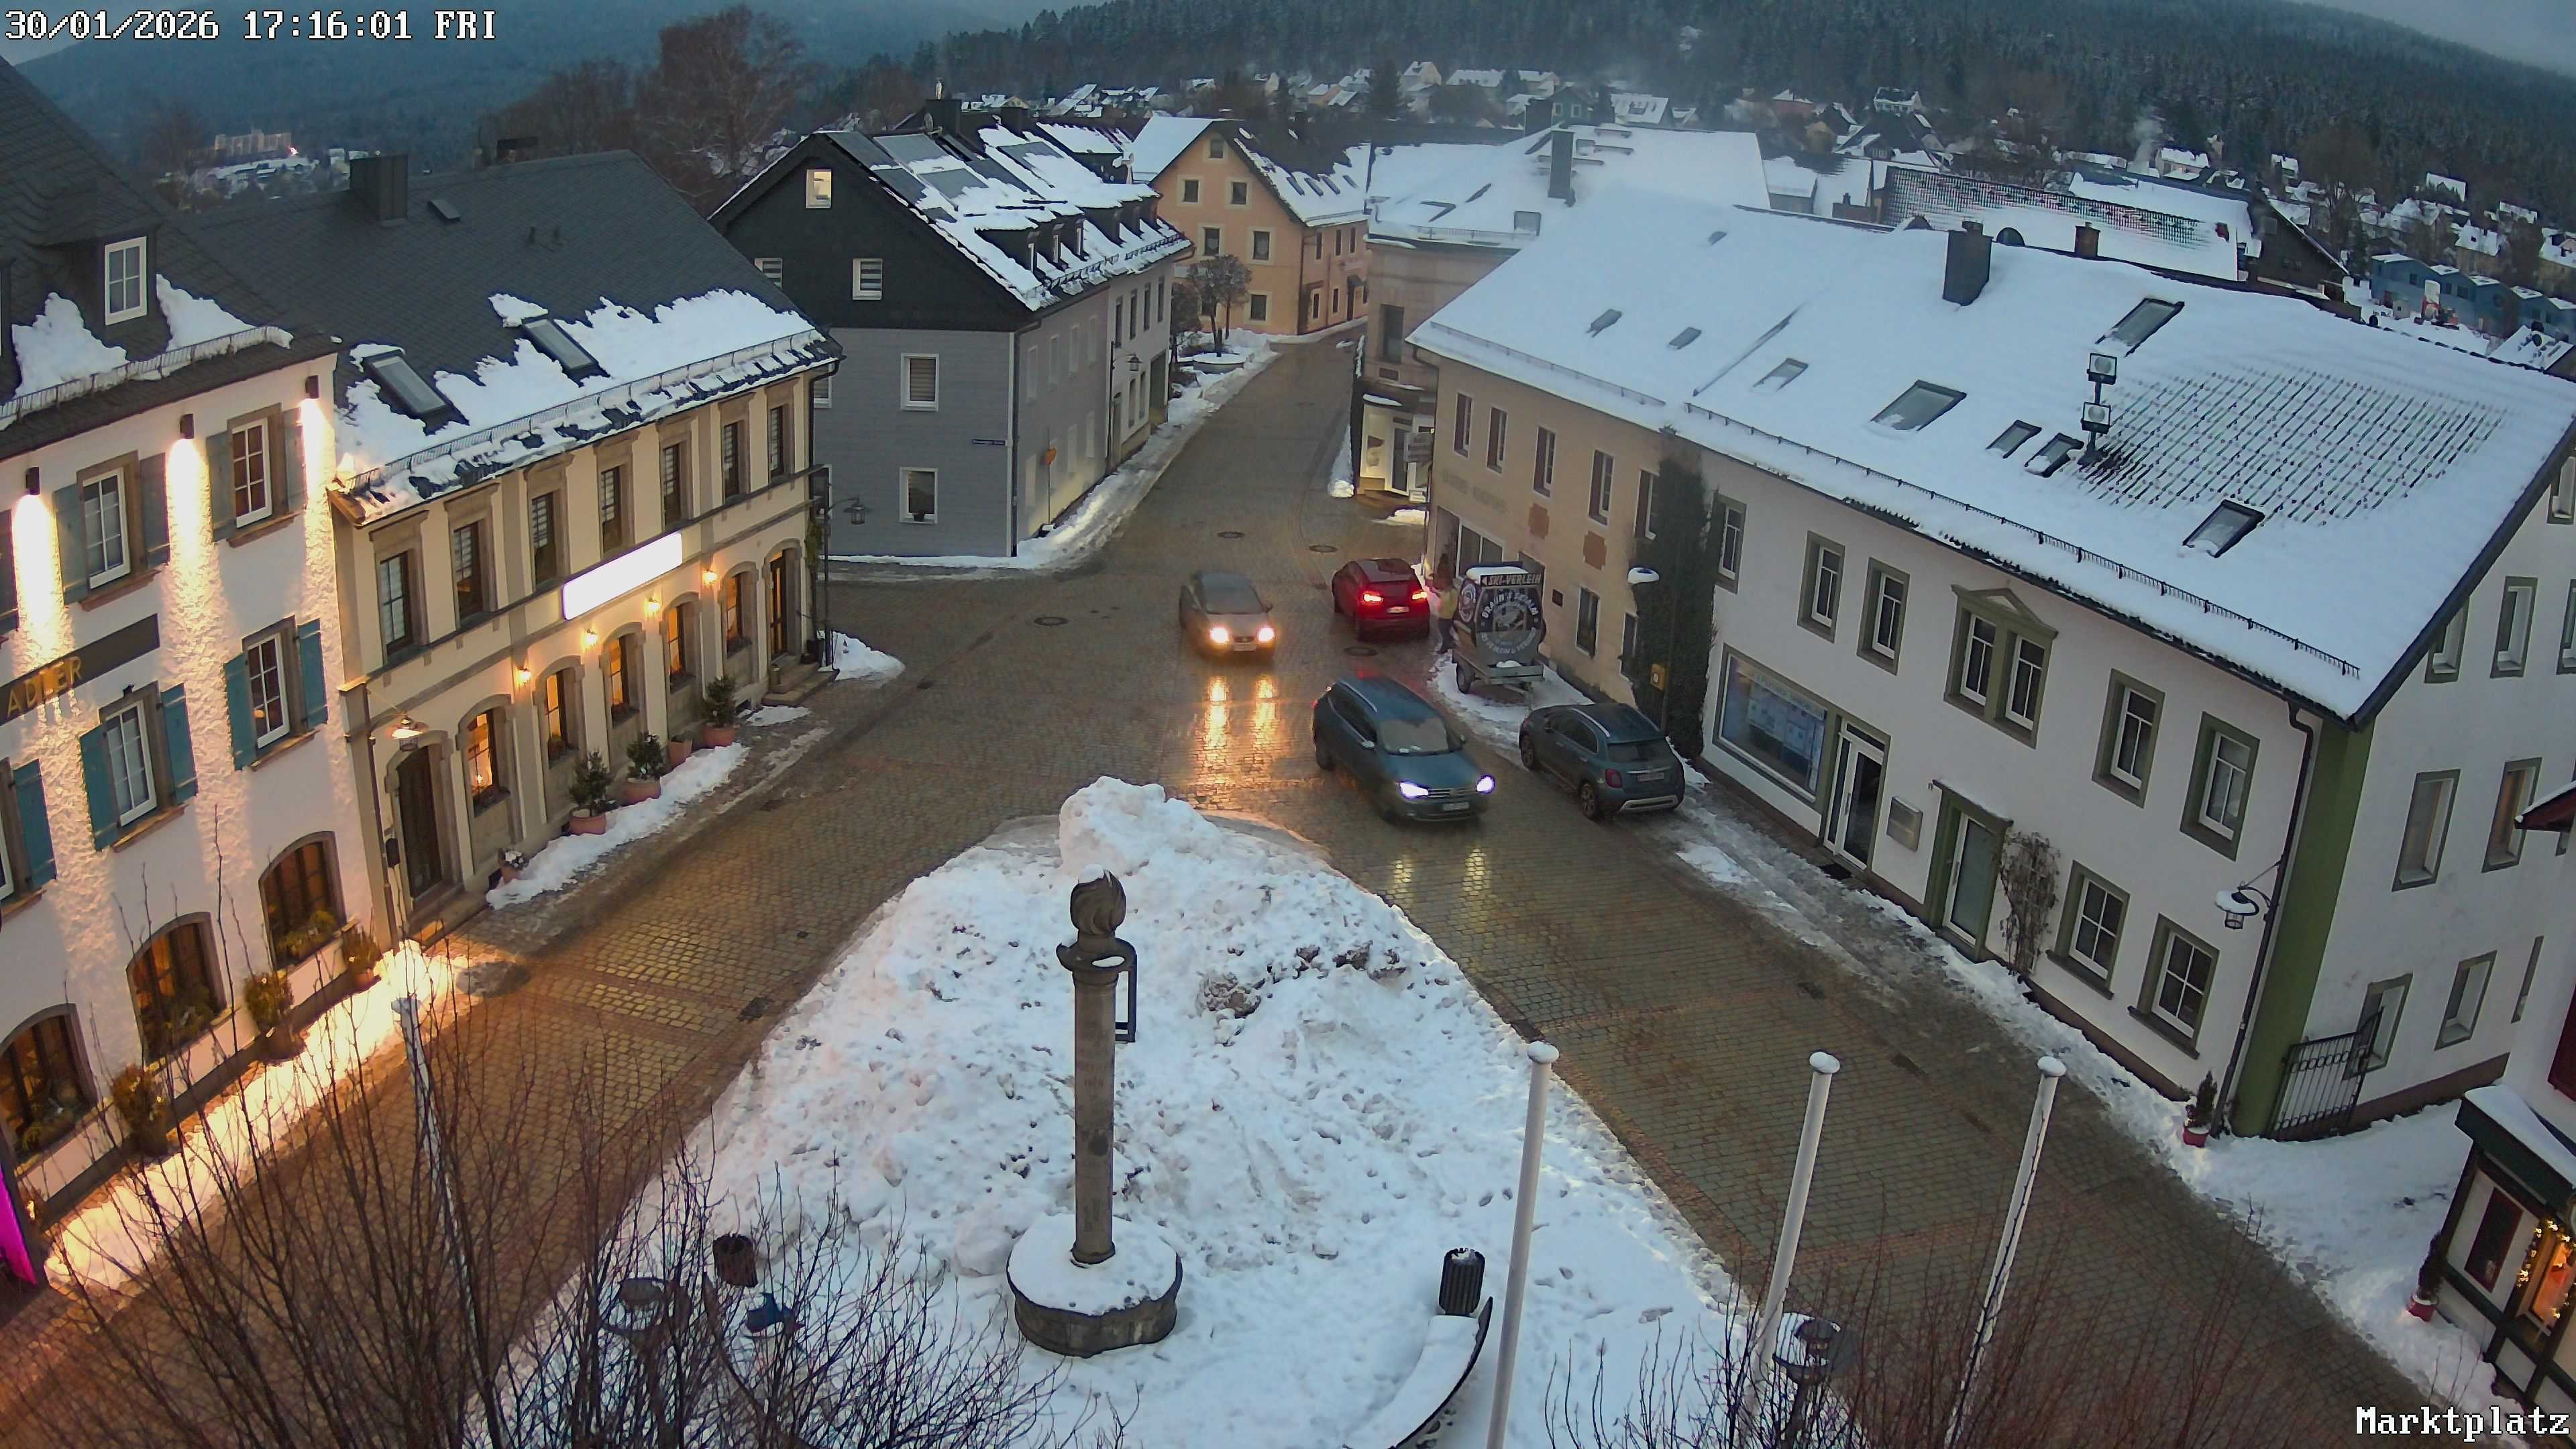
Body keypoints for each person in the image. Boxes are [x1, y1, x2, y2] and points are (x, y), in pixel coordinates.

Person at [1430, 552, 1459, 654]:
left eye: (1444, 584)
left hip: (1447, 617)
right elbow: (1442, 596)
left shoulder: (1453, 593)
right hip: (1444, 616)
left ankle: (1450, 644)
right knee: (1444, 632)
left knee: (1444, 632)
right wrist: (1434, 591)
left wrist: (1449, 613)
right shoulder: (1447, 592)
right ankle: (1446, 646)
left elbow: (1453, 604)